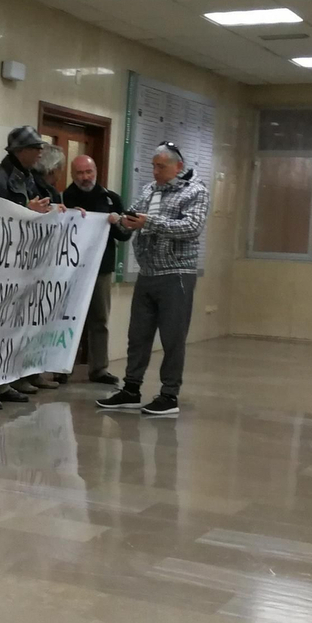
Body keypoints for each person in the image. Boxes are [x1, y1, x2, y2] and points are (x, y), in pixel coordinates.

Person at [97, 142, 209, 418]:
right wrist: (116, 220)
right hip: (147, 273)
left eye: (161, 166)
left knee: (173, 337)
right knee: (138, 335)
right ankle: (131, 389)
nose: (155, 171)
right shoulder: (150, 190)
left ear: (178, 167)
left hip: (176, 275)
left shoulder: (196, 192)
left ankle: (169, 394)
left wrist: (148, 222)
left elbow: (191, 228)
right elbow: (133, 217)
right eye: (153, 166)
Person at [0, 125, 59, 407]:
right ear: (21, 151)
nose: (40, 153)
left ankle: (1, 381)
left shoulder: (29, 178)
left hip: (17, 265)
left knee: (7, 327)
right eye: (35, 148)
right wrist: (25, 211)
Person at [61, 154, 130, 386]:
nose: (84, 177)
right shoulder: (64, 198)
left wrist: (117, 222)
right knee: (69, 318)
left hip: (101, 269)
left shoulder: (111, 199)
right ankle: (63, 367)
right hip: (70, 270)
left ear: (96, 172)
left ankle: (99, 369)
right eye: (79, 173)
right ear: (73, 175)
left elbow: (126, 233)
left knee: (99, 319)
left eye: (88, 172)